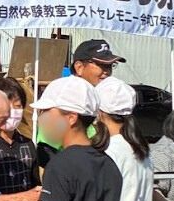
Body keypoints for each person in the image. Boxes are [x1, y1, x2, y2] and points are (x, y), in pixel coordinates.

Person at [38, 39, 126, 169]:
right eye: (101, 65)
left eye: (110, 66)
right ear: (79, 67)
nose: (106, 71)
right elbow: (46, 150)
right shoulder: (63, 94)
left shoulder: (106, 97)